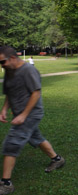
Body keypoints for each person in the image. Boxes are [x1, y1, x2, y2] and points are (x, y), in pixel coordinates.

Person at [0, 46, 65, 195]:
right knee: (36, 138)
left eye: (2, 62)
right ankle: (57, 159)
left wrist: (24, 115)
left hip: (31, 113)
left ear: (12, 58)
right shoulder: (9, 71)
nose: (1, 65)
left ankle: (6, 184)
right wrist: (4, 109)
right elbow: (9, 92)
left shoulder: (28, 70)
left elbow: (36, 93)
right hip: (20, 113)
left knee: (12, 142)